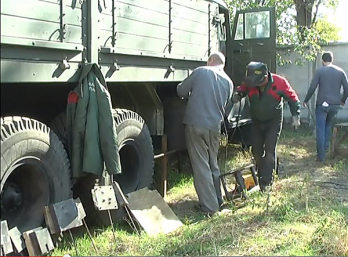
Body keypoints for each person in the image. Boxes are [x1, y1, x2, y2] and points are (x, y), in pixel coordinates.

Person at [177, 52, 233, 215]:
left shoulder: (201, 71)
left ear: (210, 61)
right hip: (215, 127)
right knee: (212, 164)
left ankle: (209, 207)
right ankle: (217, 199)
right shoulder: (229, 82)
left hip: (196, 124)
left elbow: (181, 91)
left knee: (201, 165)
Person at [232, 61, 301, 191]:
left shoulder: (279, 82)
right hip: (257, 120)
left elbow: (293, 99)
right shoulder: (251, 82)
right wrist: (238, 94)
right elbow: (242, 89)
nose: (255, 85)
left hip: (273, 121)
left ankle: (267, 182)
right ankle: (260, 174)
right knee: (256, 150)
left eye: (258, 82)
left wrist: (295, 116)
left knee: (269, 150)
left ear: (265, 76)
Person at [303, 51, 348, 162]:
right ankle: (326, 149)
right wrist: (342, 100)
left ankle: (320, 156)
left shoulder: (320, 71)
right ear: (332, 60)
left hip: (322, 104)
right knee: (328, 126)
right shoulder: (340, 71)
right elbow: (347, 88)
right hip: (335, 105)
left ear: (322, 61)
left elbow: (313, 86)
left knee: (320, 128)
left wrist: (306, 100)